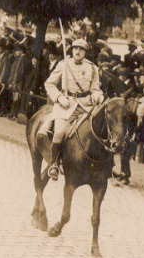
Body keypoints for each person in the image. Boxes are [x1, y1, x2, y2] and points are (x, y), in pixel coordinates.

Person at [38, 38, 104, 180]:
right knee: (60, 132)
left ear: (85, 52)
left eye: (81, 49)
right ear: (72, 50)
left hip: (86, 106)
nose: (77, 51)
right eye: (75, 48)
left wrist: (98, 96)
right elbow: (49, 84)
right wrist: (59, 98)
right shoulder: (63, 65)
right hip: (66, 105)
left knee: (98, 130)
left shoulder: (92, 68)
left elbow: (95, 89)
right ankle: (54, 164)